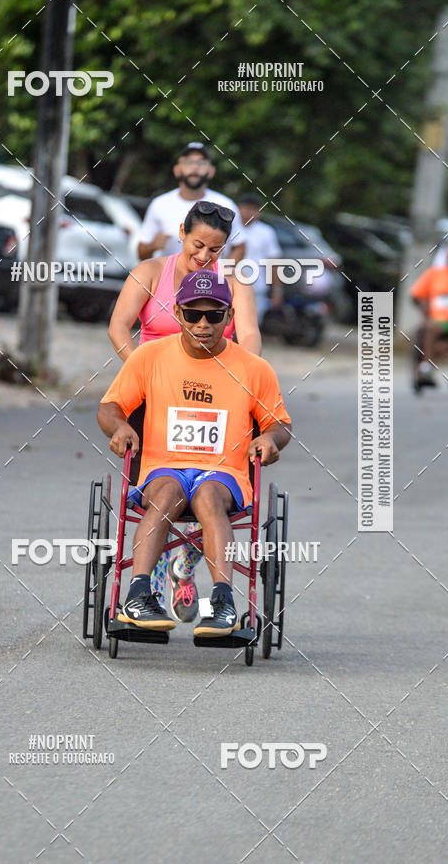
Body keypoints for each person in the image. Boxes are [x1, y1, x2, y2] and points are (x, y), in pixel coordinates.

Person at [97, 270, 292, 635]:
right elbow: (110, 407)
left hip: (223, 474)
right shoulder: (149, 357)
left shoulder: (254, 369)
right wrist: (120, 427)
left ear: (229, 317)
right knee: (168, 491)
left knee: (207, 495)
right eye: (193, 314)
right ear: (177, 313)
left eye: (214, 315)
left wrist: (270, 440)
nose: (203, 324)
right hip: (163, 468)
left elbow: (279, 424)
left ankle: (221, 602)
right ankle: (139, 595)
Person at [108, 200, 261, 624]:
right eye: (197, 245)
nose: (204, 257)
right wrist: (146, 374)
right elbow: (119, 327)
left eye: (214, 250)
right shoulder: (150, 273)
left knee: (210, 492)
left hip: (215, 396)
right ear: (181, 232)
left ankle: (188, 562)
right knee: (164, 490)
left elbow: (248, 337)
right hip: (156, 394)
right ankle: (150, 588)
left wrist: (239, 383)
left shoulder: (234, 282)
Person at [137, 142, 246, 264]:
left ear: (211, 171)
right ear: (177, 169)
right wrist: (153, 245)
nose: (195, 167)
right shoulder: (159, 204)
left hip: (207, 281)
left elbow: (239, 246)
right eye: (188, 162)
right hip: (169, 280)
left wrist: (222, 276)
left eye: (201, 163)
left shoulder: (227, 206)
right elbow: (141, 253)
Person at [411, 241, 448, 388]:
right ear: (447, 256)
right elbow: (416, 295)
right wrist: (425, 309)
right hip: (438, 320)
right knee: (429, 327)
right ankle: (426, 368)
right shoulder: (435, 273)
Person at [237, 193, 283, 325]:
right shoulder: (229, 228)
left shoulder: (266, 232)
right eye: (246, 208)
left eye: (253, 209)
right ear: (238, 209)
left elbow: (274, 262)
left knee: (249, 330)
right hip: (229, 288)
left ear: (259, 212)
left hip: (256, 289)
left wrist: (277, 291)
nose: (249, 212)